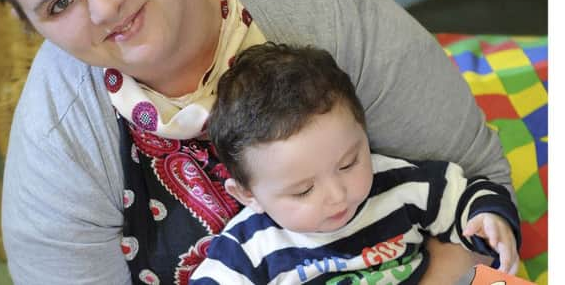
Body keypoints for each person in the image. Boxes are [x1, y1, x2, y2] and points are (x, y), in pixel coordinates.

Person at [0, 0, 515, 284]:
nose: (105, 7)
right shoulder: (58, 145)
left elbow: (476, 177)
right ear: (28, 22)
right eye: (59, 4)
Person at [190, 42, 521, 284]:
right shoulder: (248, 249)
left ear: (364, 133)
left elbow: (468, 198)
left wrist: (489, 217)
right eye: (303, 190)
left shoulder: (401, 185)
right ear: (249, 195)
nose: (337, 194)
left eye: (348, 163)